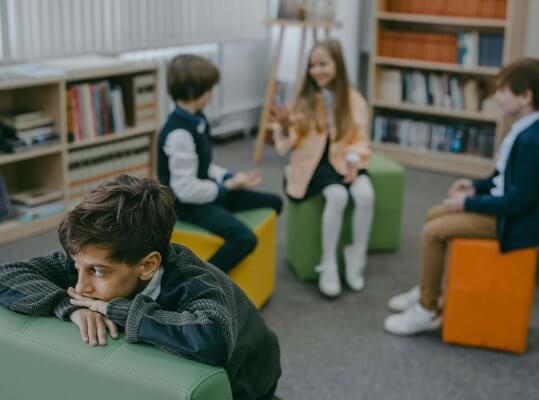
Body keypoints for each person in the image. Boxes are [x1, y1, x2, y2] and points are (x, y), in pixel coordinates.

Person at [0, 175, 281, 400]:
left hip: (250, 378)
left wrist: (116, 309)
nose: (80, 285)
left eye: (97, 271)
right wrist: (68, 306)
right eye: (76, 267)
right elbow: (6, 274)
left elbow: (212, 339)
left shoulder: (192, 279)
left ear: (147, 265)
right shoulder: (90, 262)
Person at [384, 58, 539, 336]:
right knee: (435, 214)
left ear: (525, 96)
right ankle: (431, 287)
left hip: (515, 222)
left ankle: (427, 309)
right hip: (508, 209)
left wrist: (467, 203)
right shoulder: (526, 130)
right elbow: (502, 179)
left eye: (502, 91)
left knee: (433, 232)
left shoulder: (534, 141)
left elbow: (518, 201)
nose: (496, 97)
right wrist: (474, 187)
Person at [158, 54, 283, 273]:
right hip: (187, 206)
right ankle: (199, 281)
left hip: (208, 192)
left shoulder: (197, 118)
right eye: (209, 90)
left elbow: (204, 166)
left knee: (275, 202)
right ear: (193, 92)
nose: (211, 94)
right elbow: (185, 190)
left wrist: (229, 177)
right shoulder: (178, 133)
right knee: (245, 239)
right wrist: (225, 188)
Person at [270, 38, 375, 298]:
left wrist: (352, 160)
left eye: (323, 64)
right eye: (312, 65)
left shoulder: (354, 99)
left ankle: (356, 256)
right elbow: (291, 140)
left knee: (365, 195)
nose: (317, 70)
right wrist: (284, 125)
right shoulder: (304, 98)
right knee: (337, 196)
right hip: (315, 163)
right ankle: (328, 263)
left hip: (345, 157)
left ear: (337, 64)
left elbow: (360, 138)